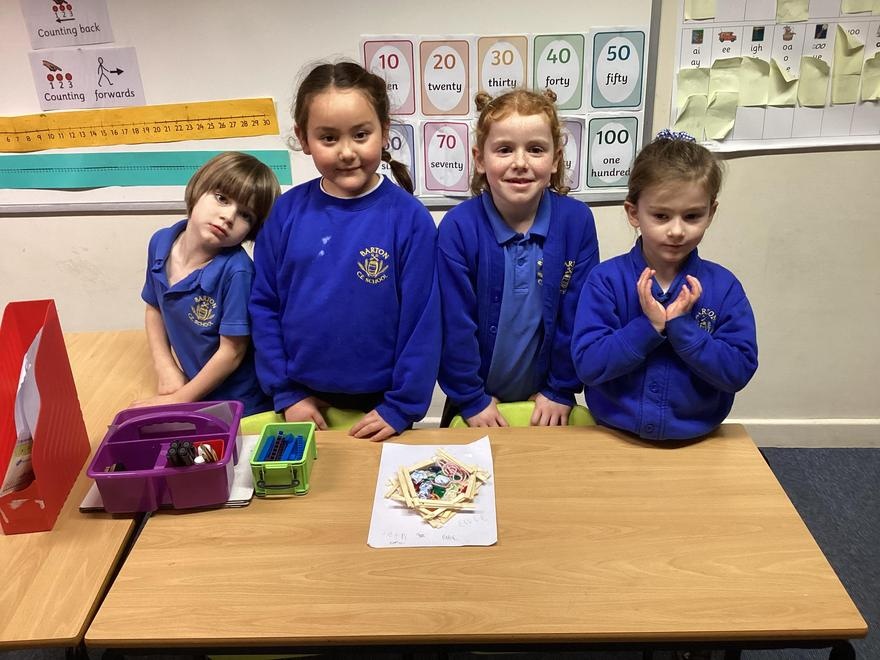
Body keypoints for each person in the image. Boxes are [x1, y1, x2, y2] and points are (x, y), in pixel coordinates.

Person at [249, 61, 440, 442]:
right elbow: (264, 306)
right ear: (303, 138)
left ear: (384, 132)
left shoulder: (409, 218)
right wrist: (286, 392)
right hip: (301, 400)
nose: (347, 152)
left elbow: (423, 323)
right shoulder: (286, 213)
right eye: (329, 138)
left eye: (361, 134)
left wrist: (402, 406)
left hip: (382, 408)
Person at [571, 129, 758, 441]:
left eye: (692, 216)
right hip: (613, 436)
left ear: (711, 212)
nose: (677, 231)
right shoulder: (605, 281)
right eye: (661, 216)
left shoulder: (724, 288)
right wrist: (648, 327)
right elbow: (588, 365)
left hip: (699, 440)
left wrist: (682, 328)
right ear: (634, 213)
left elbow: (738, 371)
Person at [437, 89, 599, 427]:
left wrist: (559, 389)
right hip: (474, 404)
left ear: (555, 159)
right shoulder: (458, 228)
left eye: (536, 149)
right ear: (480, 159)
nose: (520, 163)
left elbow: (579, 315)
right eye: (505, 149)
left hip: (547, 403)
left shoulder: (577, 222)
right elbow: (453, 325)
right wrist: (472, 398)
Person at [137, 151, 279, 415]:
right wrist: (166, 367)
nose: (229, 216)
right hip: (192, 389)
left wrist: (179, 400)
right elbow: (154, 307)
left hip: (241, 403)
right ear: (197, 189)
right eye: (222, 198)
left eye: (245, 215)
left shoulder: (237, 272)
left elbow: (232, 353)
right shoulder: (160, 242)